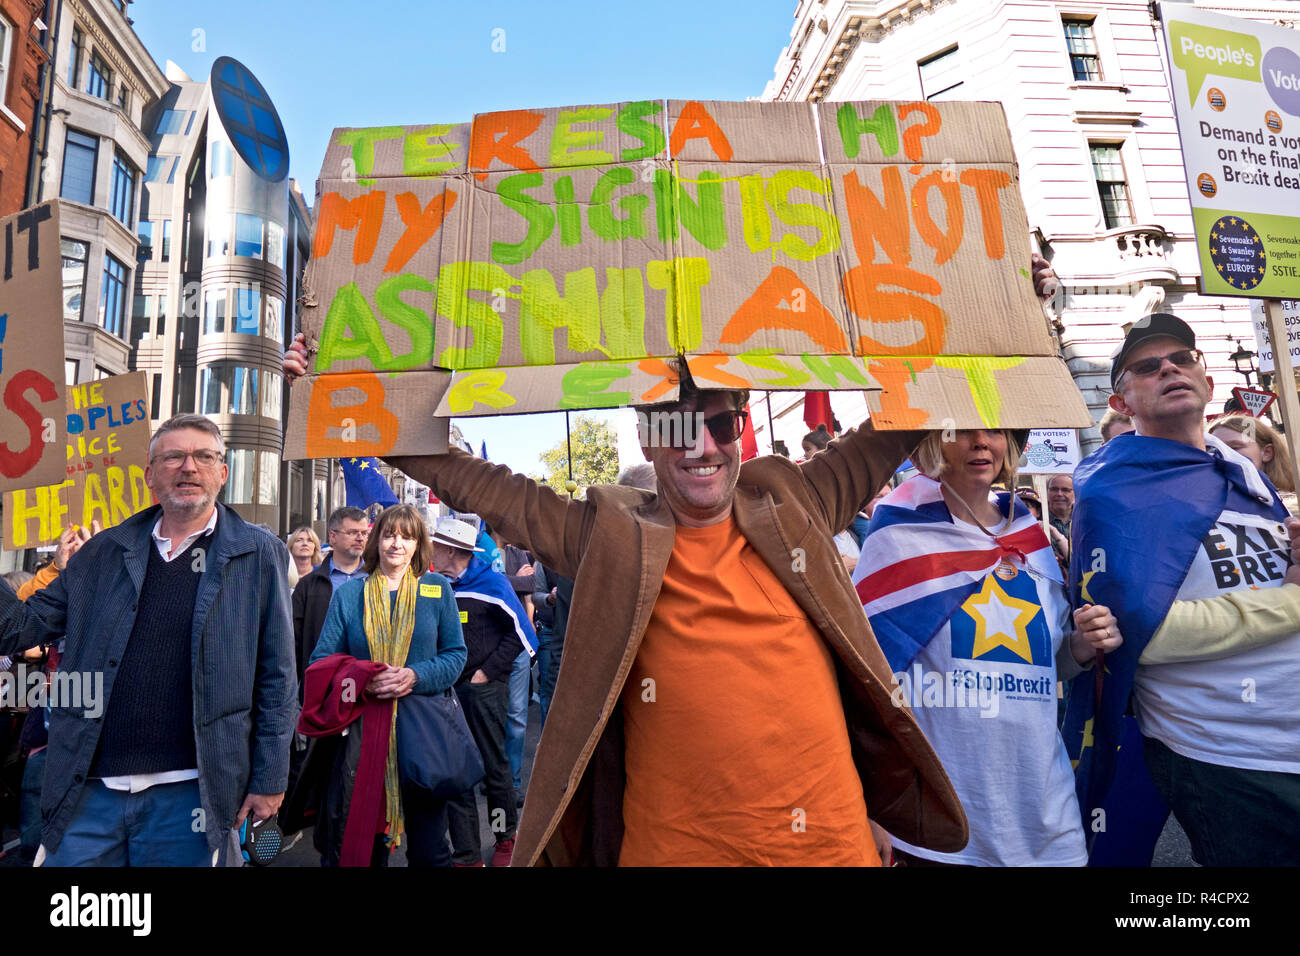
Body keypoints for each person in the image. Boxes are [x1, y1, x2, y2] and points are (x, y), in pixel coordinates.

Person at [282, 251, 1061, 867]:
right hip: (673, 846)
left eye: (720, 425)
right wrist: (346, 402)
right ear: (645, 439)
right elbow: (475, 480)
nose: (701, 446)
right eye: (675, 427)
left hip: (826, 843)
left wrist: (1002, 296)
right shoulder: (609, 533)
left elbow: (902, 417)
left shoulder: (796, 499)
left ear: (741, 429)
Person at [0, 413, 297, 866]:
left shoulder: (258, 552)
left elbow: (278, 676)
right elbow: (18, 629)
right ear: (149, 475)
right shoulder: (104, 552)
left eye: (203, 456)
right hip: (89, 792)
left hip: (194, 794)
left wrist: (271, 777)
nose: (188, 467)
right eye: (173, 456)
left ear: (223, 471)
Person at [1064, 312, 1300, 866]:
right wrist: (1293, 601)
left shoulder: (1243, 473)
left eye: (1183, 358)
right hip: (1228, 756)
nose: (1170, 367)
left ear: (1208, 381)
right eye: (1148, 368)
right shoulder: (1111, 492)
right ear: (1120, 402)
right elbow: (1140, 636)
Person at [855, 430, 1119, 865]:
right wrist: (872, 807)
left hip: (1044, 815)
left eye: (994, 430)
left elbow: (1048, 665)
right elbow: (866, 680)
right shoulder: (898, 536)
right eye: (959, 431)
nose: (980, 442)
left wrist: (1082, 646)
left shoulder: (1030, 535)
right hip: (944, 821)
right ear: (931, 443)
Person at [306, 504, 465, 867]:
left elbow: (456, 655)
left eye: (407, 537)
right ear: (376, 541)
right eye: (390, 535)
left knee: (430, 850)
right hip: (366, 737)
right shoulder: (350, 595)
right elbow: (321, 663)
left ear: (418, 544)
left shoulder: (438, 590)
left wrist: (415, 675)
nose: (397, 544)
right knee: (364, 846)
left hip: (423, 731)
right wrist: (364, 679)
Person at [429, 516, 533, 867]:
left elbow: (522, 636)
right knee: (456, 772)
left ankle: (505, 839)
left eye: (436, 545)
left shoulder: (493, 584)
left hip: (484, 692)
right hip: (446, 693)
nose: (431, 549)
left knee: (493, 768)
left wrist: (486, 674)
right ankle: (467, 853)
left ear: (452, 551)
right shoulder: (434, 585)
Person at [291, 507, 370, 688]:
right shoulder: (309, 585)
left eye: (364, 533)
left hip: (368, 683)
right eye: (352, 532)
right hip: (322, 682)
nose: (360, 538)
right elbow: (293, 640)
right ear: (332, 537)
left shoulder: (379, 580)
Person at [1210, 413, 1298, 515]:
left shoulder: (1291, 508)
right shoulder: (1205, 502)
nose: (1222, 453)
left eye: (1234, 447)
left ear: (1267, 453)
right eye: (1213, 448)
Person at [1046, 474, 1074, 540]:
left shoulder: (1084, 519)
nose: (1059, 494)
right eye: (1054, 489)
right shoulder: (1037, 520)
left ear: (1075, 493)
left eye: (1065, 490)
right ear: (1046, 492)